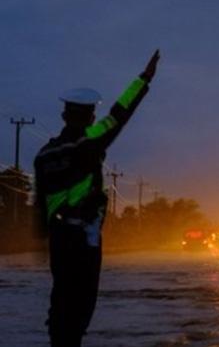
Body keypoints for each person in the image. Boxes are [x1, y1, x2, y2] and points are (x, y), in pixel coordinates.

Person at [34, 50, 160, 347]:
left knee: (61, 299)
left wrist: (43, 236)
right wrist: (144, 79)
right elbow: (121, 112)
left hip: (58, 239)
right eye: (92, 114)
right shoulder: (90, 141)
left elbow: (39, 202)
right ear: (89, 116)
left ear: (65, 115)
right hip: (84, 238)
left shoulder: (44, 155)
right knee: (81, 306)